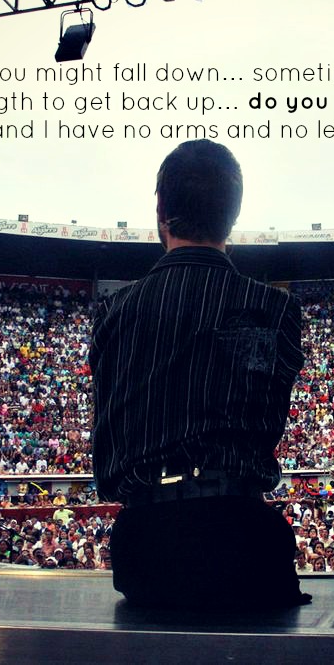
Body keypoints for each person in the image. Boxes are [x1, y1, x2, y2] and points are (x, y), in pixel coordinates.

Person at [89, 139, 309, 610]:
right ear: (233, 213)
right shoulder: (274, 309)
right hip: (244, 543)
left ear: (160, 211)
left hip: (144, 552)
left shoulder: (113, 311)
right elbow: (268, 414)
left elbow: (106, 441)